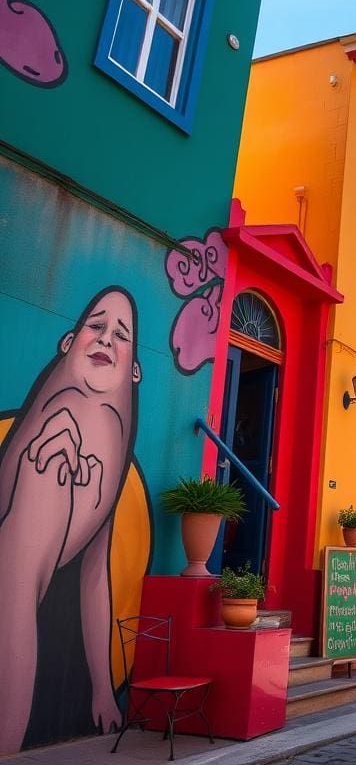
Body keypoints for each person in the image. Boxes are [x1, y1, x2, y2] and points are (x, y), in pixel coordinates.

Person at [0, 288, 140, 753]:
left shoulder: (111, 460)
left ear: (134, 368)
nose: (105, 338)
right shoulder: (55, 433)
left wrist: (103, 686)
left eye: (121, 335)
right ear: (68, 341)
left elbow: (93, 574)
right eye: (96, 326)